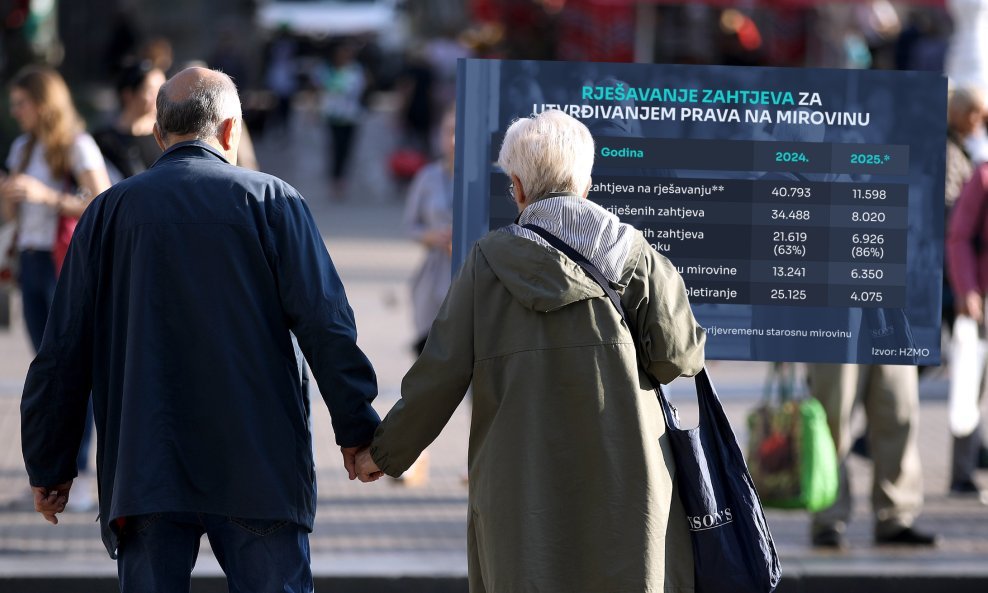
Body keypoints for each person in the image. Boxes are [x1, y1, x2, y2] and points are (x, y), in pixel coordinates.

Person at [20, 67, 380, 592]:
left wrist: (49, 463)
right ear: (231, 131)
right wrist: (358, 430)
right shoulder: (274, 202)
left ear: (160, 134)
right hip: (259, 461)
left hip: (146, 466)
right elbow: (327, 325)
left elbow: (63, 350)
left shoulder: (107, 214)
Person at [356, 109, 706, 592]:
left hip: (517, 481)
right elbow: (678, 359)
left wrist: (382, 453)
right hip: (627, 475)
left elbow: (439, 376)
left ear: (517, 187)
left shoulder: (485, 262)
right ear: (586, 182)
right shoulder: (635, 253)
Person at [1, 65, 111, 512]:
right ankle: (52, 473)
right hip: (29, 261)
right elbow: (13, 219)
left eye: (22, 104)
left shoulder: (76, 145)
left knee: (73, 372)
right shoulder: (22, 147)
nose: (16, 112)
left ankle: (80, 472)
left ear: (44, 104)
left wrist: (46, 197)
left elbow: (103, 202)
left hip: (63, 263)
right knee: (47, 371)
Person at [806, 364, 939, 548]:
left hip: (896, 336)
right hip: (837, 336)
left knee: (899, 414)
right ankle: (828, 518)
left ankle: (895, 515)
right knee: (832, 422)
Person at [946, 121, 988, 502]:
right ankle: (962, 473)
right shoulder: (983, 176)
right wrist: (967, 289)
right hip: (983, 302)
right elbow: (959, 235)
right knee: (969, 390)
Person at [92, 60, 167, 182]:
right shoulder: (103, 140)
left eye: (162, 89)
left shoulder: (168, 136)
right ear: (128, 94)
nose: (159, 96)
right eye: (151, 91)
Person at [319, 41, 365, 198]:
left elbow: (357, 90)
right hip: (333, 116)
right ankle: (335, 180)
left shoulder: (356, 71)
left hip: (350, 117)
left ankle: (342, 179)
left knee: (346, 149)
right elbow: (322, 89)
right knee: (335, 148)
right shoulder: (328, 71)